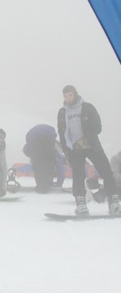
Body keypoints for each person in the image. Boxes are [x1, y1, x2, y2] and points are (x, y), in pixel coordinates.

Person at [57, 85, 120, 216]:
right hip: (75, 150)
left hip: (92, 147)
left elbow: (98, 127)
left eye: (70, 95)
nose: (68, 98)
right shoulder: (62, 113)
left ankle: (113, 203)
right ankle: (81, 205)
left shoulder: (87, 108)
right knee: (78, 176)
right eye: (66, 96)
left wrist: (85, 140)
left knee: (106, 172)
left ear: (75, 94)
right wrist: (66, 150)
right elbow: (61, 133)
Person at [22, 124, 64, 193]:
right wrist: (59, 184)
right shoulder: (54, 147)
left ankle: (42, 185)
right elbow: (59, 165)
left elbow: (36, 166)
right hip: (41, 136)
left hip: (33, 137)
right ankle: (46, 184)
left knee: (39, 164)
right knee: (48, 162)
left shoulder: (31, 147)